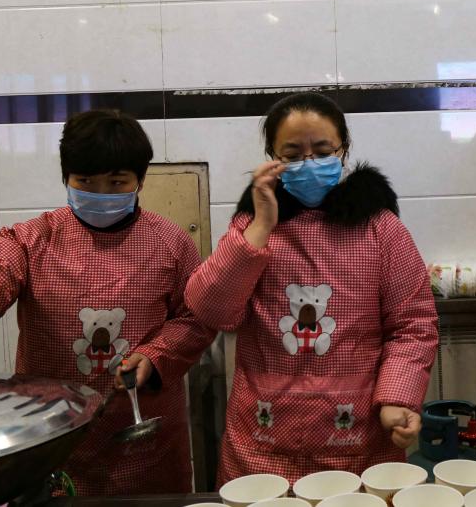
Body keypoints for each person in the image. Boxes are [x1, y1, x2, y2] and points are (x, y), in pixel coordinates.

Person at [0, 109, 216, 496]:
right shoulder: (34, 238)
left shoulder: (170, 242)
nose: (101, 194)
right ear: (66, 178)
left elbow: (196, 318)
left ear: (140, 180)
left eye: (117, 182)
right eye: (85, 181)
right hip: (51, 439)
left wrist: (155, 356)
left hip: (143, 439)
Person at [184, 92, 438, 484]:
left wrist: (397, 398)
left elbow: (413, 324)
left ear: (343, 150)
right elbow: (210, 310)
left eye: (321, 151)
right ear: (273, 156)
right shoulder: (251, 226)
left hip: (360, 441)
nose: (309, 163)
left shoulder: (380, 227)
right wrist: (261, 226)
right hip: (261, 444)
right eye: (293, 154)